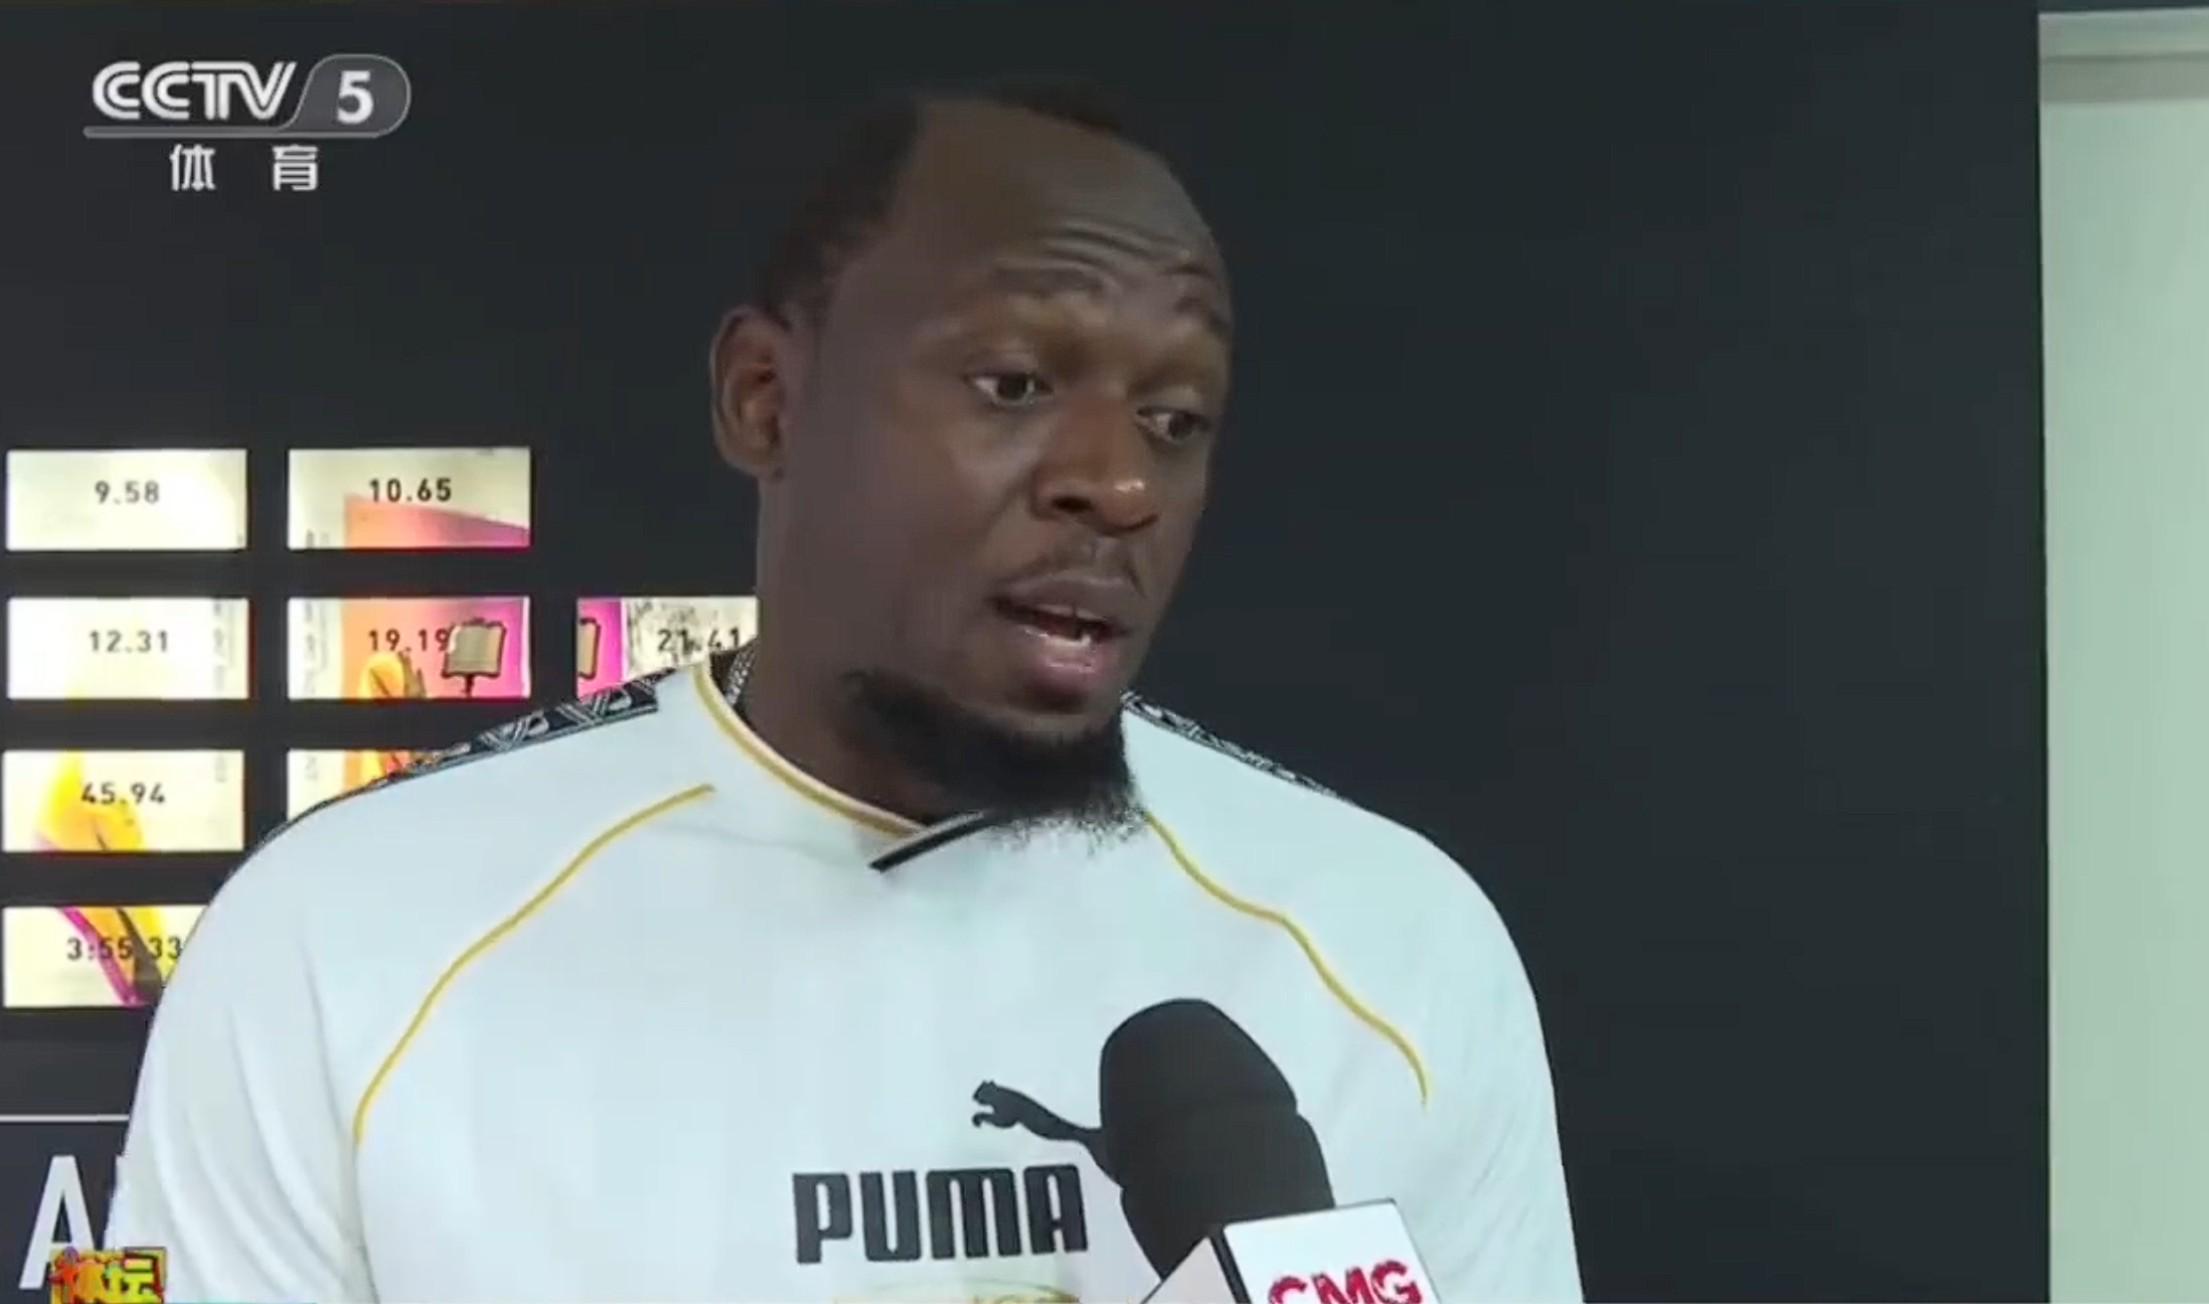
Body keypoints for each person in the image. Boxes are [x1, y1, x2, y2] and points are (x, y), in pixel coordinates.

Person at [107, 81, 1583, 1303]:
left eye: (1175, 418)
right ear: (765, 400)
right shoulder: (342, 939)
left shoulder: (1394, 944)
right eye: (1014, 384)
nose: (1119, 483)